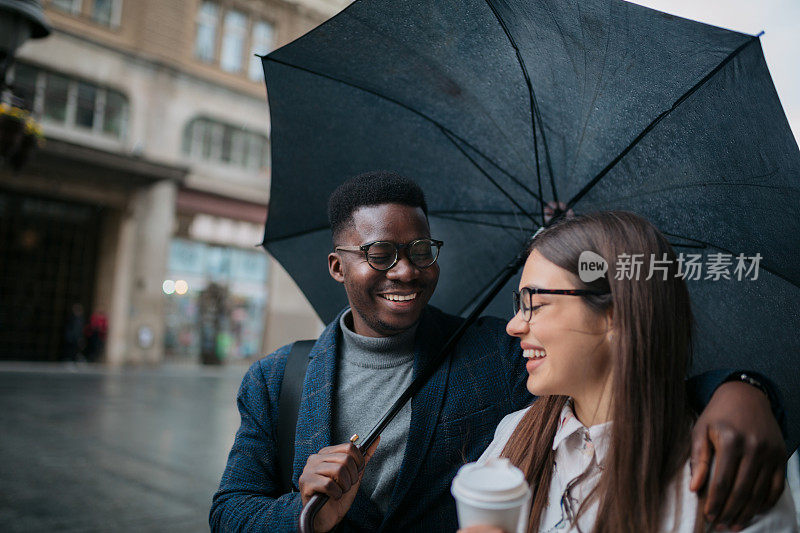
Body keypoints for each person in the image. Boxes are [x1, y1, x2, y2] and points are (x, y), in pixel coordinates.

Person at [210, 172, 787, 532]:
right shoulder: (277, 378)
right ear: (339, 266)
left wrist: (741, 389)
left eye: (420, 249)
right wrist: (306, 516)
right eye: (381, 254)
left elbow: (616, 380)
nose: (406, 270)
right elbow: (229, 511)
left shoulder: (491, 351)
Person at [463, 211, 797, 532]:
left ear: (614, 315)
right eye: (517, 304)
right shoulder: (514, 435)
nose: (513, 325)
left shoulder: (725, 474)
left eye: (533, 303)